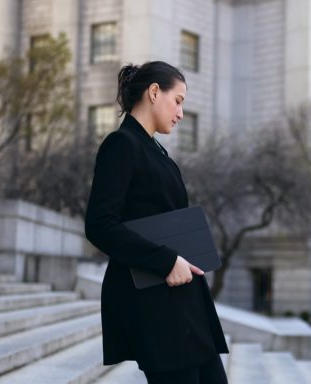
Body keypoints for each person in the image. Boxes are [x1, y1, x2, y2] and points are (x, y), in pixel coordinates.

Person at [84, 61, 229, 383]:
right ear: (153, 92)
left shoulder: (157, 152)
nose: (180, 113)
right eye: (177, 101)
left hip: (183, 301)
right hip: (156, 304)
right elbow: (100, 224)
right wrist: (166, 261)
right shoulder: (122, 145)